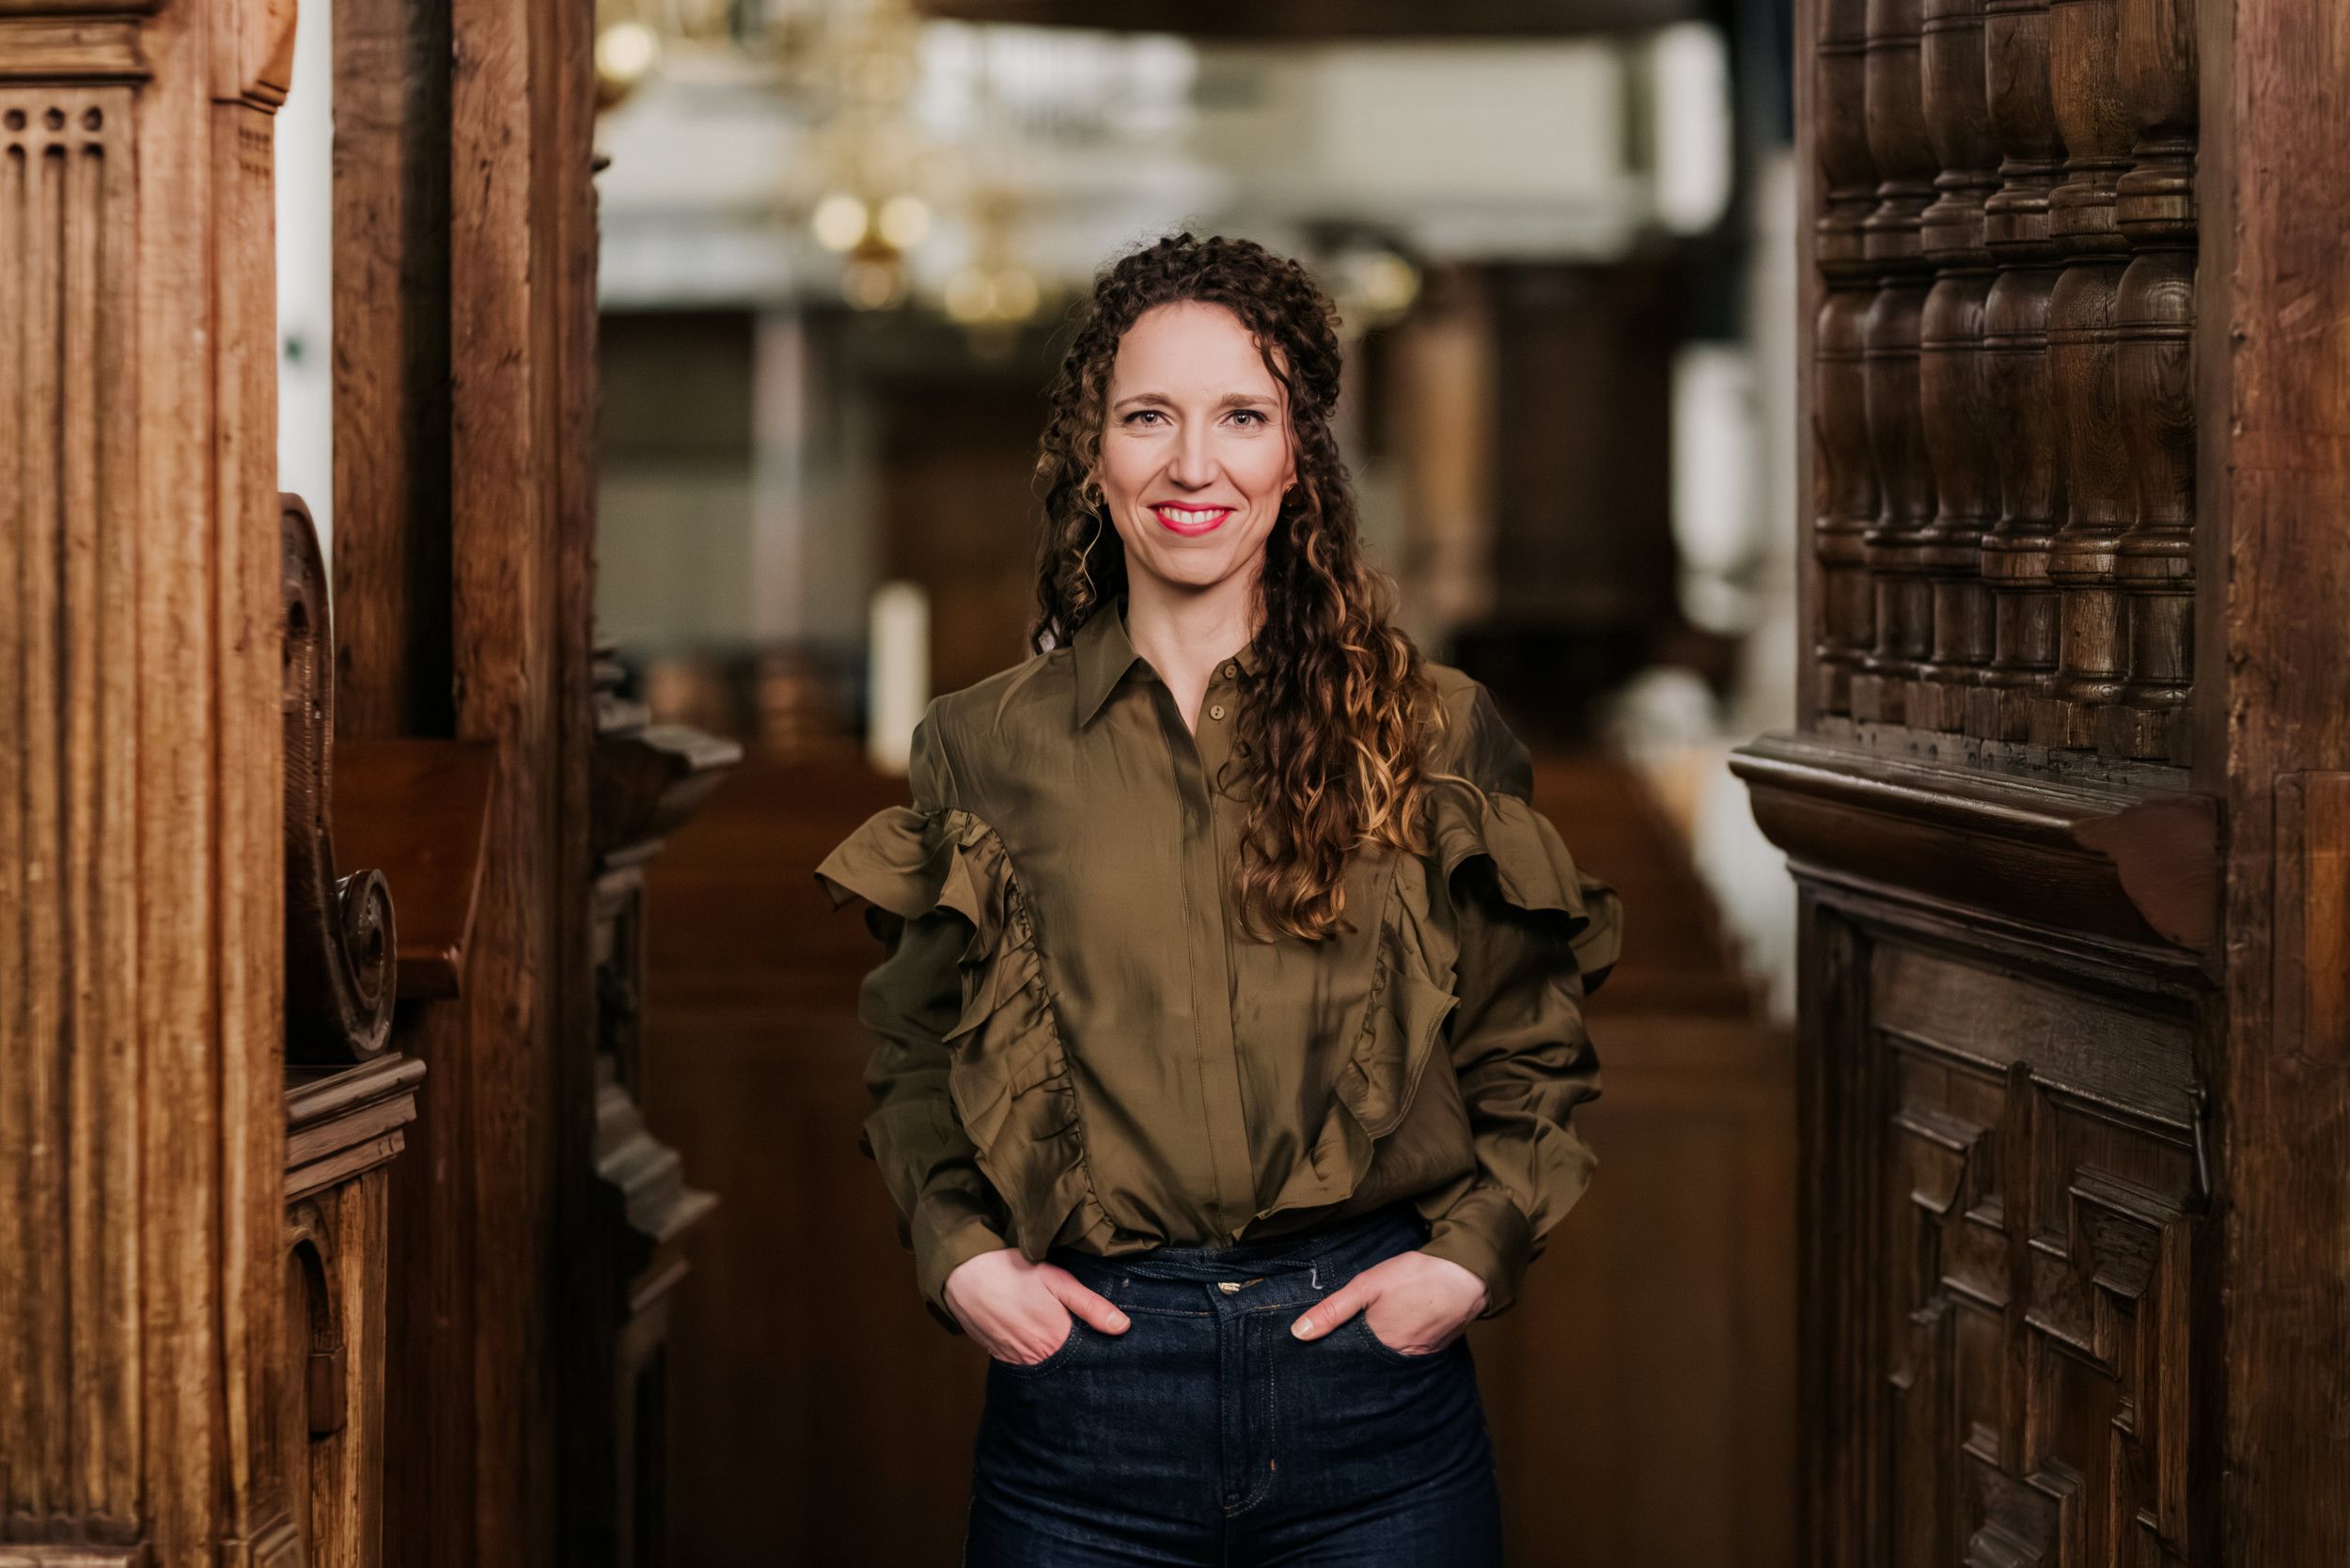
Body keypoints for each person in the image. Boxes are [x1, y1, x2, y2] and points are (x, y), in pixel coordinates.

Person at [814, 232, 1622, 1567]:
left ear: (1298, 457)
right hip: (1086, 1406)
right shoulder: (981, 744)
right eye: (1150, 417)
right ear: (1094, 453)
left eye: (1242, 416)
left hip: (1376, 1408)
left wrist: (1465, 1261)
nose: (1194, 465)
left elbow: (1529, 1042)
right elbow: (915, 1054)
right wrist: (962, 1254)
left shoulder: (1431, 729)